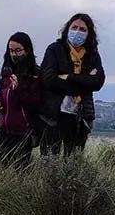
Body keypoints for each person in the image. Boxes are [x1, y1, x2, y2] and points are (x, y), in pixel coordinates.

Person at [39, 14, 106, 156]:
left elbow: (98, 81)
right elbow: (49, 80)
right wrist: (84, 83)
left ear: (89, 34)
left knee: (73, 160)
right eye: (74, 27)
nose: (77, 32)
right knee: (49, 158)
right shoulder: (54, 49)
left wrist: (69, 77)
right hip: (53, 113)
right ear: (67, 29)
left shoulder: (92, 54)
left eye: (82, 29)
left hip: (81, 115)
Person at [0, 32, 43, 169]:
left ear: (27, 50)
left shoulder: (35, 75)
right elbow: (1, 93)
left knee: (20, 169)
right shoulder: (6, 71)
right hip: (3, 129)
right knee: (0, 167)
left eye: (18, 50)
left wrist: (18, 89)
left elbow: (34, 103)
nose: (14, 54)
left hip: (23, 132)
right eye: (11, 50)